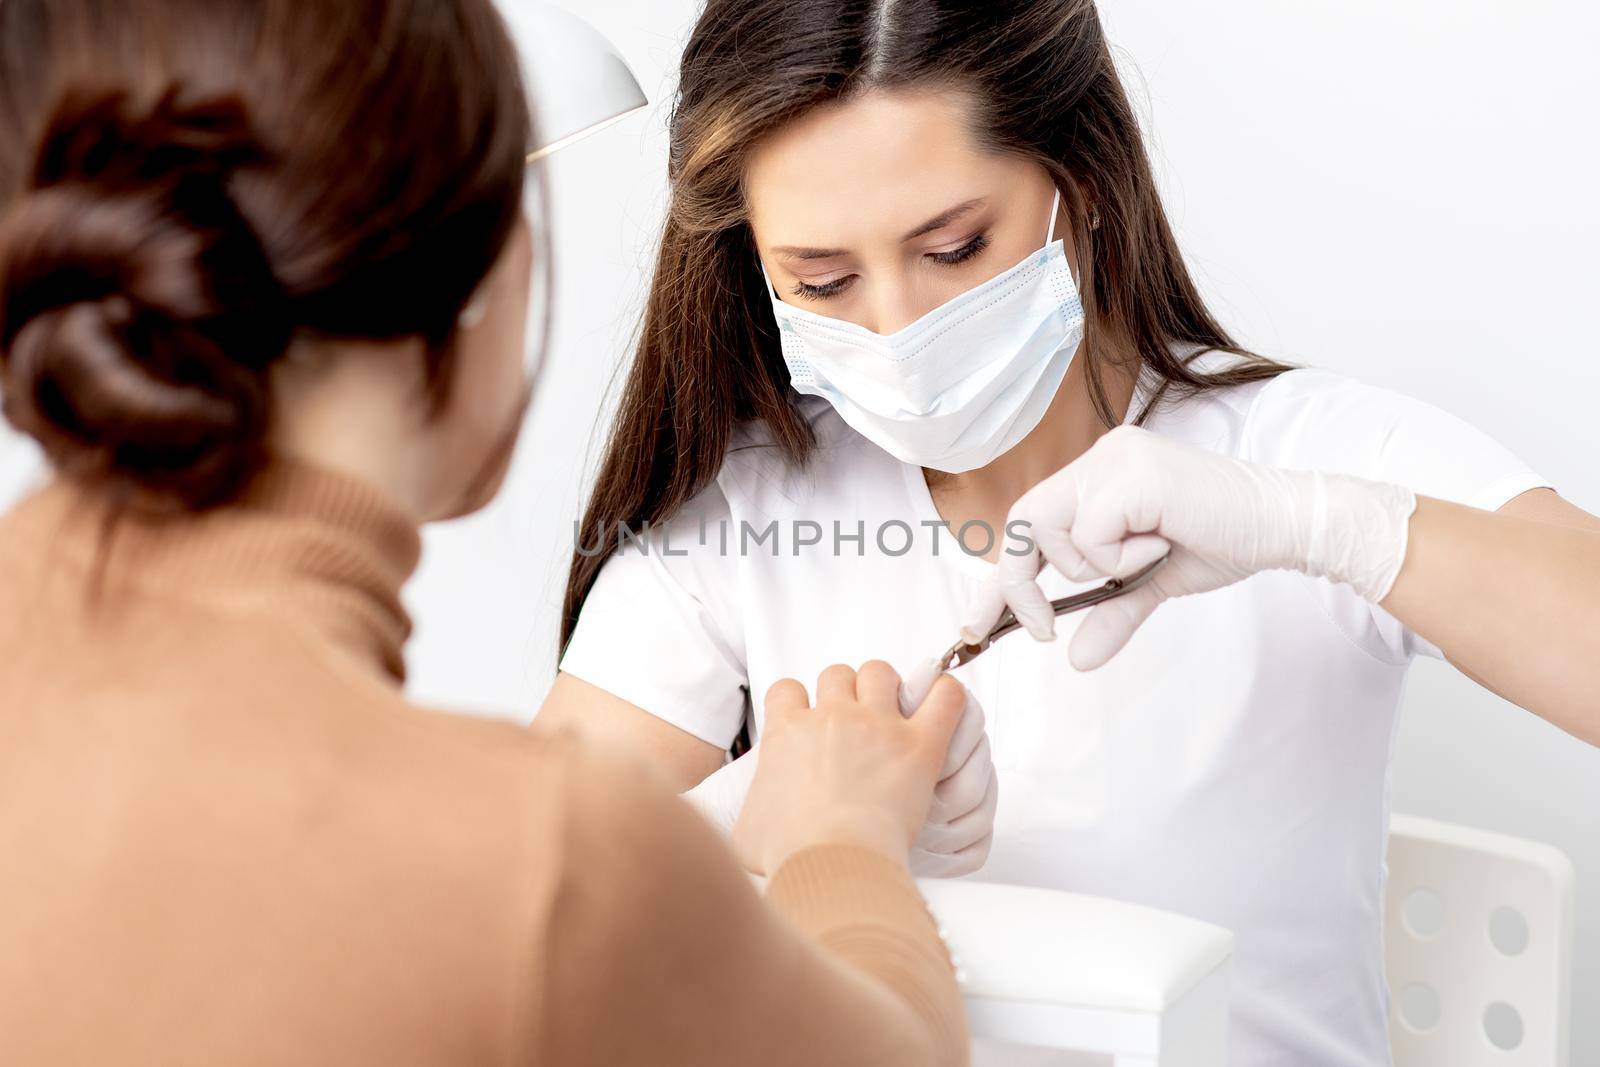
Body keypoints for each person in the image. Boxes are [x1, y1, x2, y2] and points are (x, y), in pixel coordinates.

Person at [537, 1, 1600, 1064]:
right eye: (822, 281)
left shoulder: (1305, 447)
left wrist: (1332, 528)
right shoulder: (744, 514)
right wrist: (756, 820)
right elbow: (515, 920)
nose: (899, 327)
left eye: (953, 246)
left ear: (1078, 181)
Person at [0, 1, 977, 1064]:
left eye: (956, 246)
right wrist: (840, 840)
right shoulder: (542, 865)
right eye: (822, 280)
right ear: (482, 275)